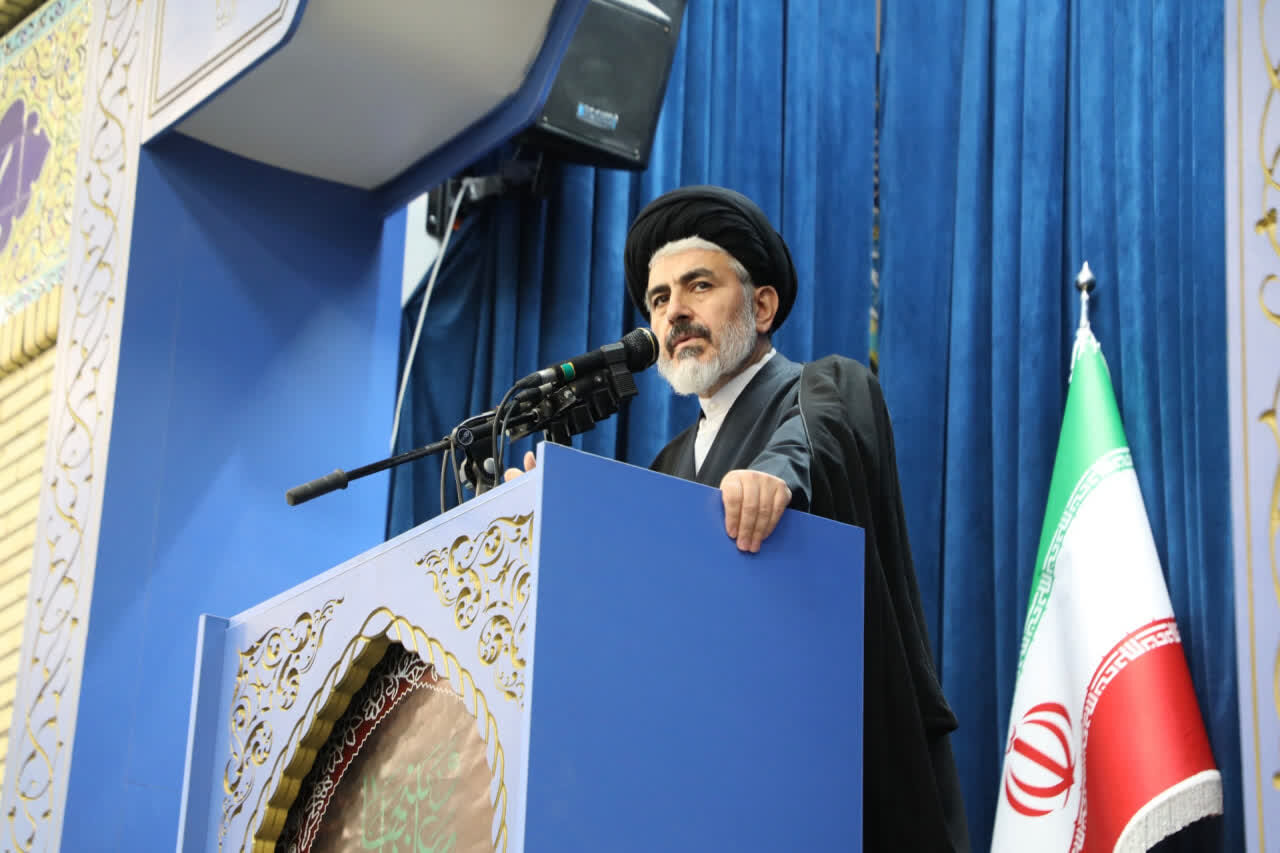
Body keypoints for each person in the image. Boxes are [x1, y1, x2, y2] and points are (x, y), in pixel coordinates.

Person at [508, 185, 969, 851]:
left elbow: (823, 438)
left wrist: (774, 475)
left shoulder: (825, 387)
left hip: (836, 774)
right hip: (704, 787)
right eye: (658, 299)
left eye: (698, 285)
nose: (674, 312)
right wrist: (551, 532)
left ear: (762, 306)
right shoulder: (665, 467)